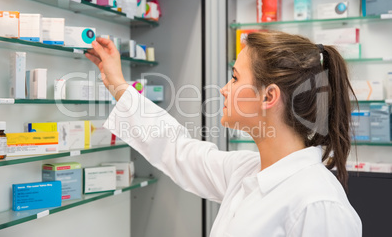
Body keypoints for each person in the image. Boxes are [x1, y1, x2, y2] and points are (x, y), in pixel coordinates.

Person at [85, 30, 362, 237]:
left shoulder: (318, 204)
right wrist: (117, 84)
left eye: (235, 77)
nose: (224, 89)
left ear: (269, 96)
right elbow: (177, 149)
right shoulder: (247, 171)